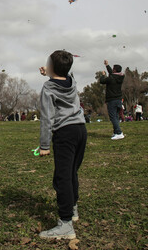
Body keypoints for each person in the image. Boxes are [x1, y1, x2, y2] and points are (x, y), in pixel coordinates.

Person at [37, 50, 87, 241]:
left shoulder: (48, 89)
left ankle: (65, 223)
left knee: (62, 178)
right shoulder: (71, 81)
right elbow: (62, 76)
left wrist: (44, 144)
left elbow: (47, 118)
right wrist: (49, 72)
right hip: (81, 130)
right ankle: (73, 207)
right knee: (72, 171)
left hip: (64, 133)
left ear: (50, 67)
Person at [99, 60, 125, 140]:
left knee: (113, 117)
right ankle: (116, 132)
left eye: (113, 69)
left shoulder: (111, 78)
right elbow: (112, 74)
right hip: (118, 100)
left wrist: (103, 75)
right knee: (116, 117)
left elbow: (102, 81)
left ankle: (119, 133)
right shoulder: (120, 77)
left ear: (114, 70)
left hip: (112, 100)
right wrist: (107, 65)